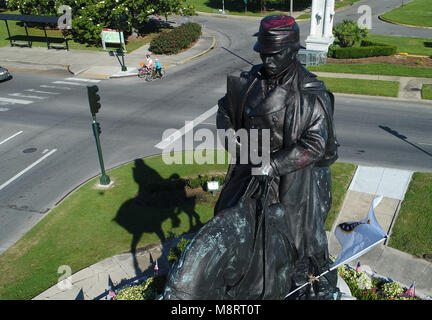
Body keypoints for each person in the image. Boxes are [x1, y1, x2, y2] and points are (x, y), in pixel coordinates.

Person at [161, 15, 340, 300]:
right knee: (227, 217)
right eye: (263, 54)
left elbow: (316, 144)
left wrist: (275, 164)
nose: (267, 61)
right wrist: (229, 133)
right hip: (248, 174)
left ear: (293, 51)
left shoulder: (311, 94)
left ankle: (317, 282)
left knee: (305, 240)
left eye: (274, 55)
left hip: (292, 183)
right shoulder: (249, 82)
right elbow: (225, 111)